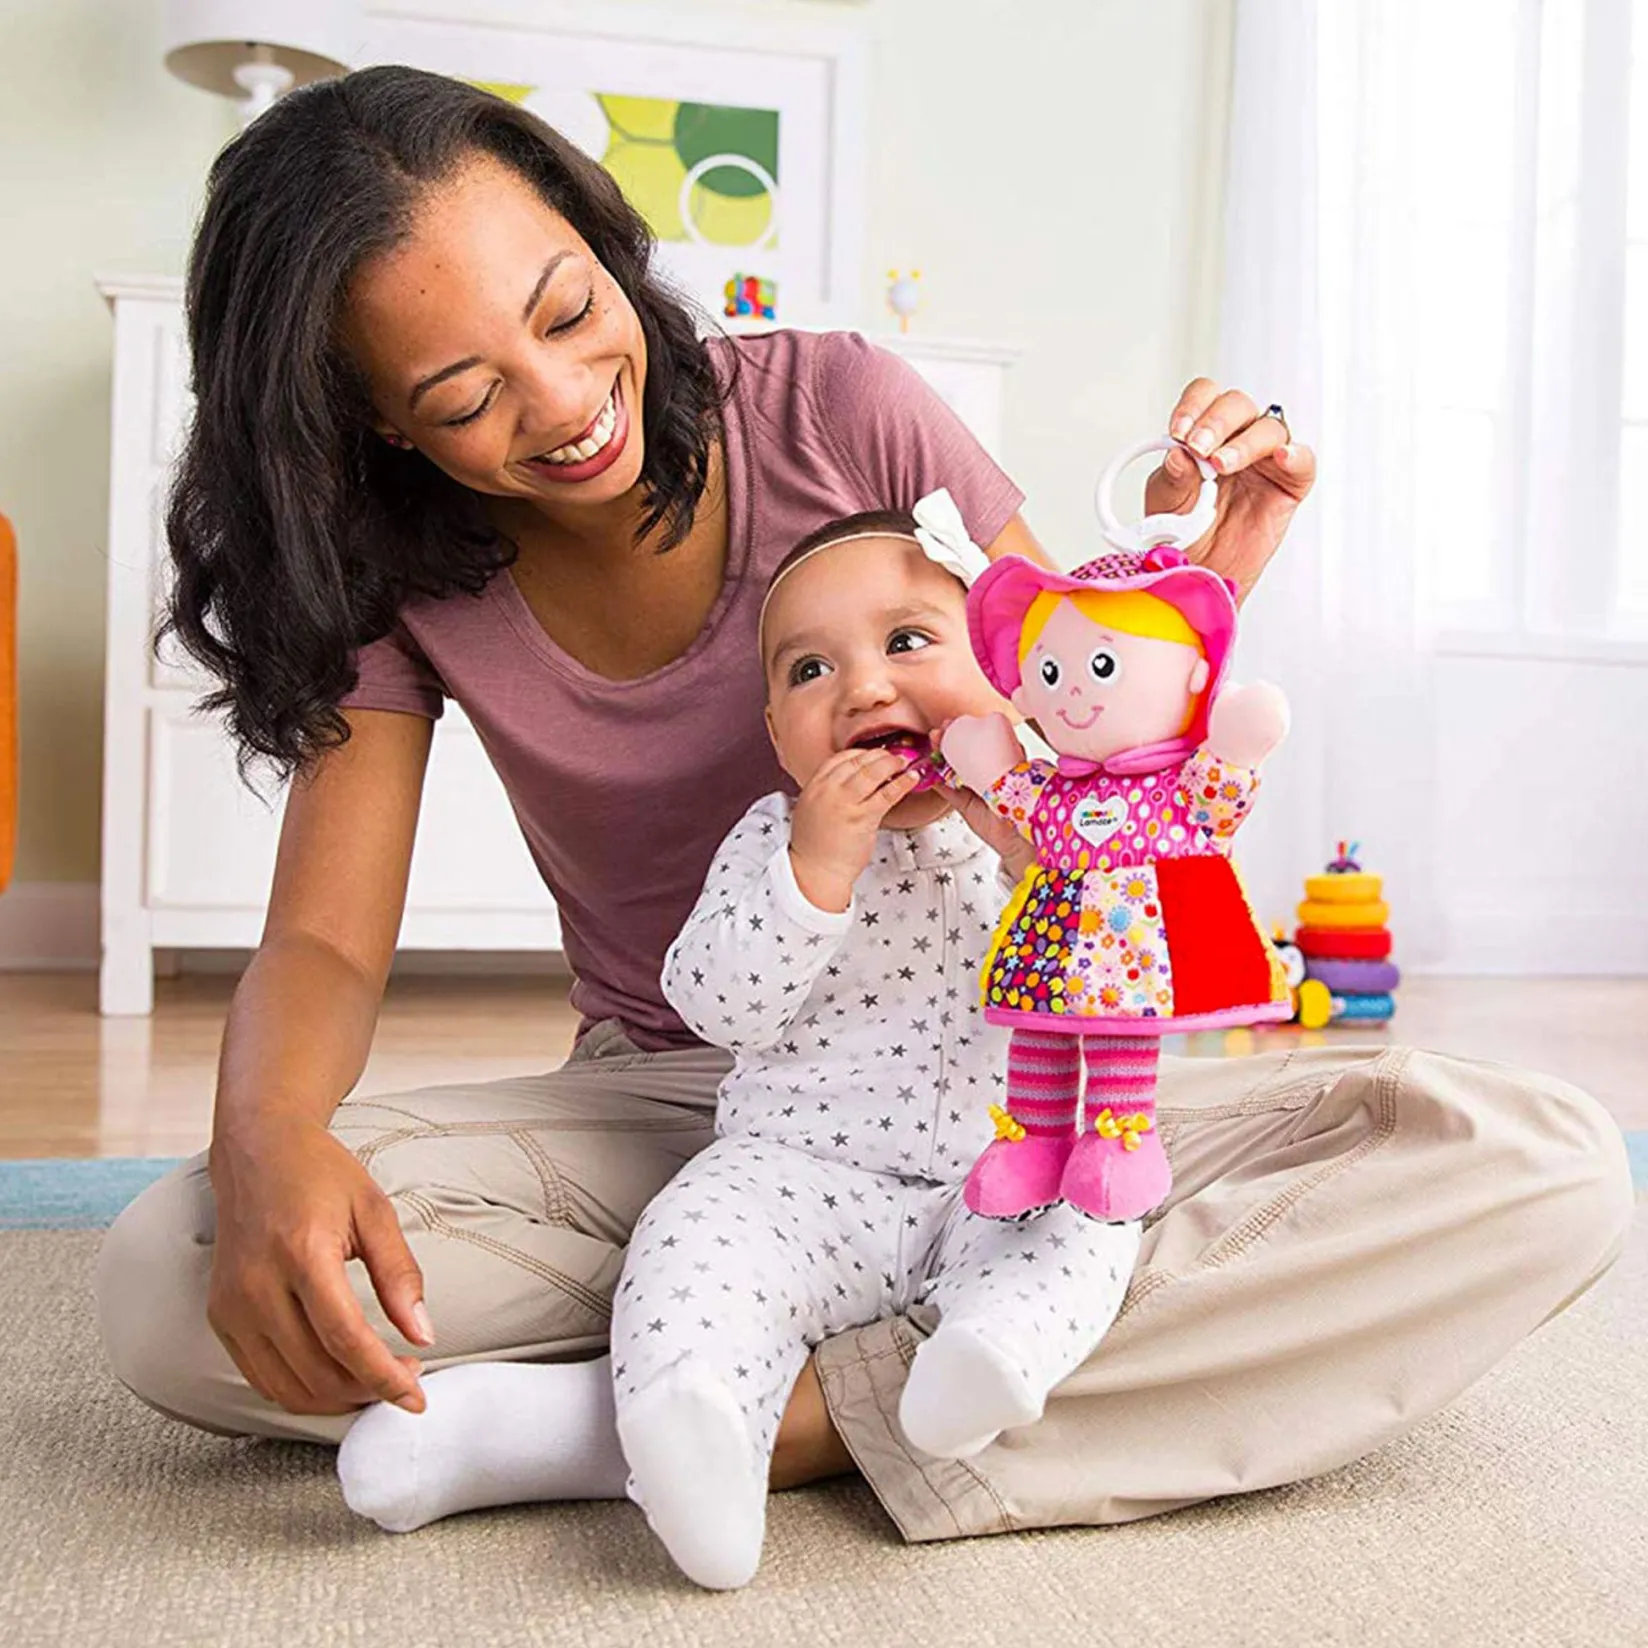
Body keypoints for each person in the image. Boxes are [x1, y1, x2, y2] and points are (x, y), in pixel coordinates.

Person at [96, 66, 1633, 1545]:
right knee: (178, 1278)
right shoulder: (402, 578)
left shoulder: (842, 410)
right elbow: (325, 945)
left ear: (604, 242)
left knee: (1534, 1165)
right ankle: (873, 1349)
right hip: (691, 1108)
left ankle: (733, 1416)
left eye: (566, 313)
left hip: (1016, 1084)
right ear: (379, 422)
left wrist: (1211, 566)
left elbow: (1083, 740)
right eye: (465, 394)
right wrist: (267, 1133)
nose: (563, 403)